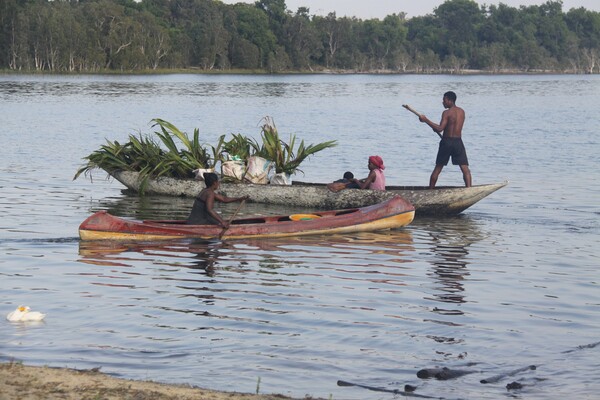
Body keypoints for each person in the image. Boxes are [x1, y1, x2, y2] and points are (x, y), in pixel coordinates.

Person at [418, 91, 472, 188]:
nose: (443, 102)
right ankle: (469, 189)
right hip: (458, 142)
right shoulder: (462, 112)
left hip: (447, 142)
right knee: (465, 168)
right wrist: (436, 128)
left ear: (450, 101)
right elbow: (451, 126)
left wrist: (426, 120)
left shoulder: (446, 113)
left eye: (444, 100)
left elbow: (440, 128)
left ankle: (430, 191)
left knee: (438, 168)